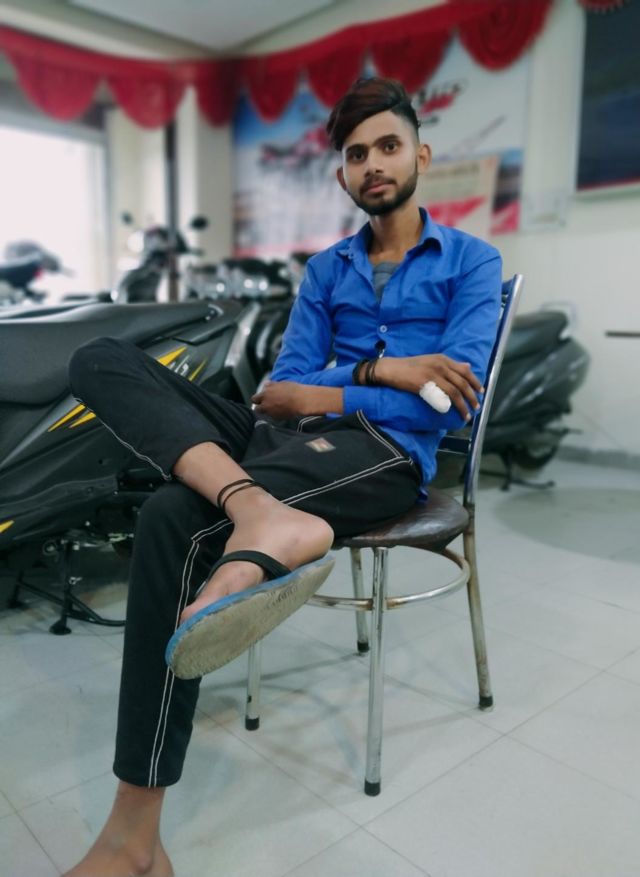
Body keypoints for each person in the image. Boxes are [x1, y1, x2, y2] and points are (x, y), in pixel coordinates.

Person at [62, 76, 502, 876]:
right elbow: (277, 392)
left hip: (383, 451)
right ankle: (256, 510)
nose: (373, 164)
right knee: (97, 358)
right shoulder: (328, 270)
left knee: (171, 515)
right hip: (283, 435)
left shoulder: (473, 261)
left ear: (421, 155)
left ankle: (132, 837)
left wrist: (347, 389)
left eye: (388, 146)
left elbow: (446, 399)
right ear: (342, 174)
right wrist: (386, 367)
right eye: (357, 154)